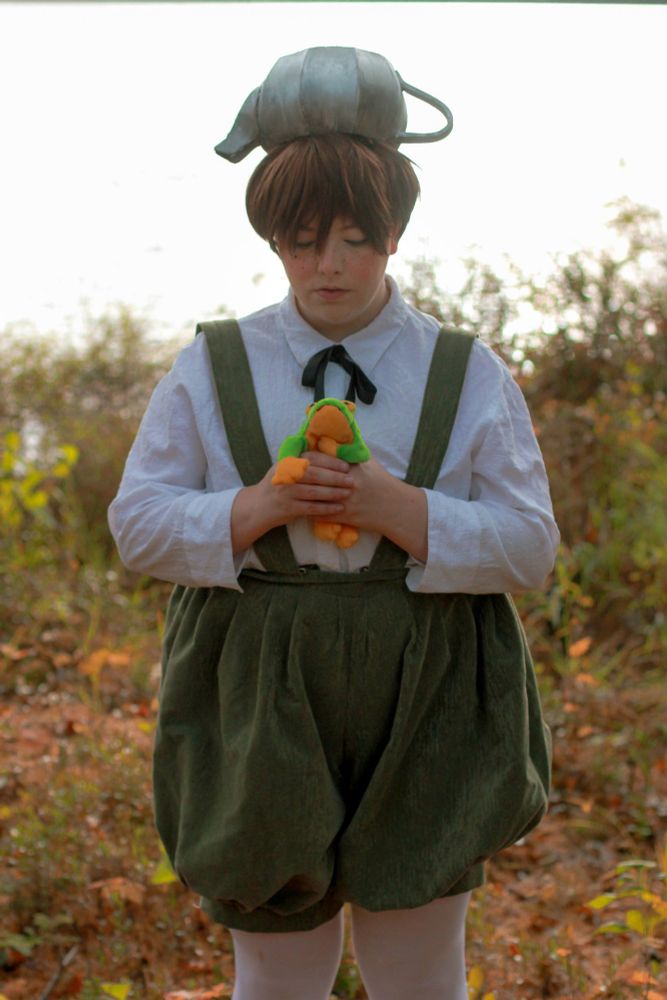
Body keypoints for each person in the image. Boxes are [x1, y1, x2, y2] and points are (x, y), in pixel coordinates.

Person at [108, 60, 559, 1000]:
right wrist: (259, 507)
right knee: (274, 971)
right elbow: (138, 526)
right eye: (303, 239)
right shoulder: (214, 362)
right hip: (255, 676)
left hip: (431, 673)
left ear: (394, 234)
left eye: (357, 238)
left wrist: (396, 509)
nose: (330, 264)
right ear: (273, 238)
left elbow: (529, 545)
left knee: (419, 967)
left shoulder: (464, 370)